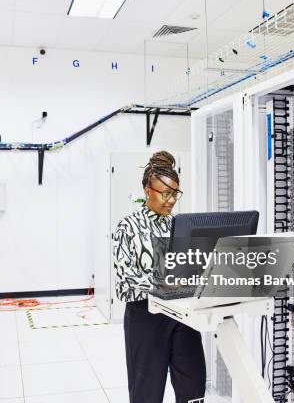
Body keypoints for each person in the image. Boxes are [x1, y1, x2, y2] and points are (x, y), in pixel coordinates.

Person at [113, 151, 206, 403]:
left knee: (194, 387)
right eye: (164, 193)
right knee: (147, 393)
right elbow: (123, 284)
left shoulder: (179, 224)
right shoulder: (128, 226)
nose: (171, 200)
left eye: (175, 193)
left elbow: (188, 265)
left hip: (182, 312)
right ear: (147, 191)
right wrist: (160, 282)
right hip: (145, 317)